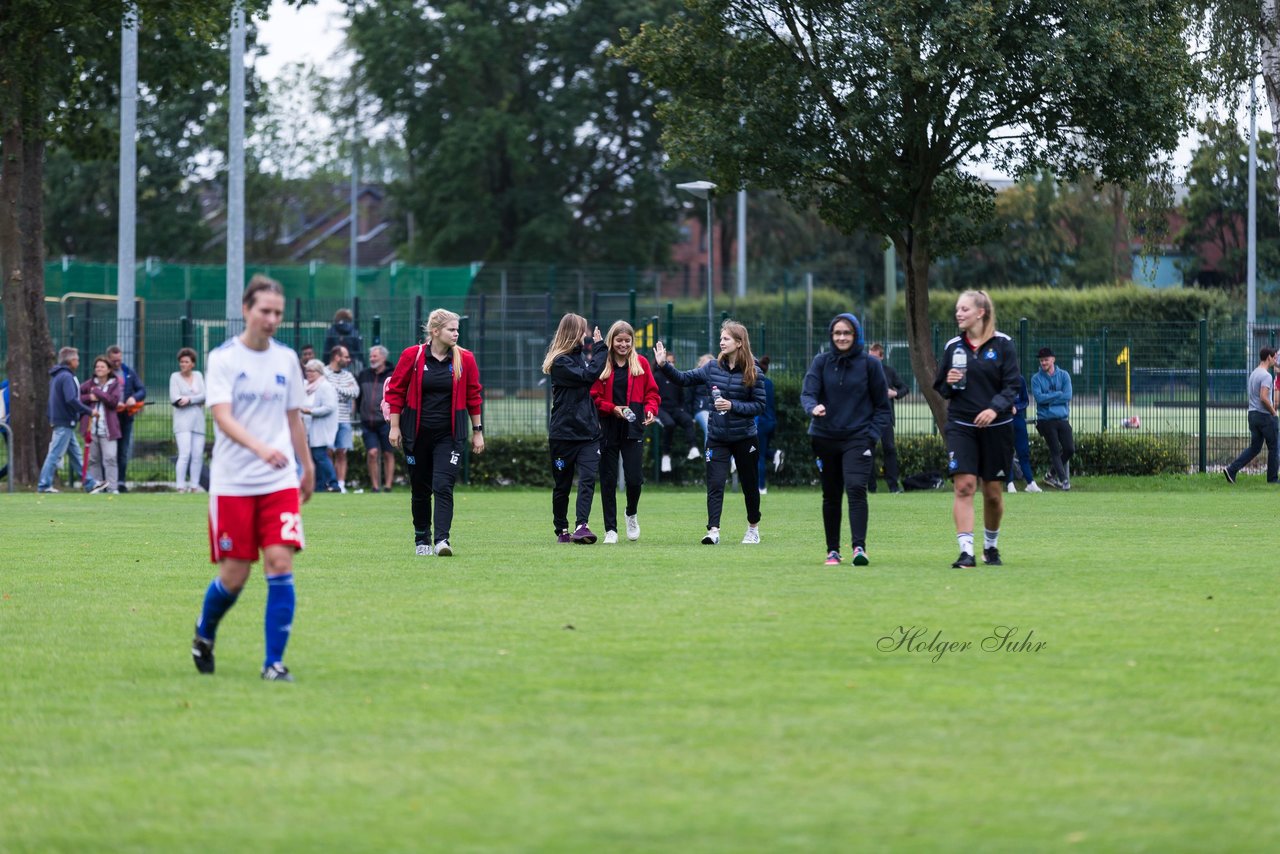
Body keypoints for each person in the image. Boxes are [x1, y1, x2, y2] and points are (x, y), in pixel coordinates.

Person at [191, 274, 314, 683]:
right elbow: (222, 417)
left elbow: (293, 417)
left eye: (278, 313)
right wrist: (260, 448)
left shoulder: (286, 359)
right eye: (265, 311)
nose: (272, 319)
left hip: (278, 482)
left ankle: (273, 664)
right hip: (233, 482)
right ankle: (204, 633)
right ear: (246, 310)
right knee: (235, 574)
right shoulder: (224, 358)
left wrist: (307, 466)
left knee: (279, 562)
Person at [655, 321, 767, 545]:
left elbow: (759, 406)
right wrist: (664, 366)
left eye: (726, 338)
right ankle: (713, 530)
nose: (721, 342)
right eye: (721, 338)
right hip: (717, 438)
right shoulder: (711, 368)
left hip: (745, 438)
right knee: (715, 484)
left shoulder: (754, 371)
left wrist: (732, 406)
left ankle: (753, 528)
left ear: (739, 342)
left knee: (749, 484)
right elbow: (684, 379)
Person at [386, 308, 485, 556]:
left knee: (443, 485)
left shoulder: (465, 358)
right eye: (451, 329)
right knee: (420, 489)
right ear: (435, 331)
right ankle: (422, 541)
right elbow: (396, 391)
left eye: (457, 329)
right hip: (416, 435)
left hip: (449, 437)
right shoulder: (413, 356)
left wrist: (477, 431)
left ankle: (442, 541)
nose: (456, 333)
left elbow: (474, 395)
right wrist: (395, 427)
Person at [933, 290, 1020, 568]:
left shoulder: (1003, 344)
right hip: (961, 425)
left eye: (964, 309)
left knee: (993, 493)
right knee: (964, 486)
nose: (958, 313)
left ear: (981, 312)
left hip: (997, 426)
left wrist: (994, 408)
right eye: (957, 309)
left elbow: (1012, 386)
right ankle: (966, 552)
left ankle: (990, 547)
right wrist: (949, 380)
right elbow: (942, 388)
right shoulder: (952, 347)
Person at [801, 316, 892, 566]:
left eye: (847, 333)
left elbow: (883, 408)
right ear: (831, 335)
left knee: (855, 489)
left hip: (858, 439)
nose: (841, 337)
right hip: (824, 437)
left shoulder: (870, 365)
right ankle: (832, 551)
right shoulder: (821, 362)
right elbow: (808, 393)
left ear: (856, 335)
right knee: (831, 495)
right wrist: (812, 408)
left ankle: (859, 548)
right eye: (837, 333)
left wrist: (870, 436)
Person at [590, 321, 661, 543]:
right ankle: (610, 530)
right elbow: (594, 397)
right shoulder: (602, 364)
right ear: (611, 341)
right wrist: (613, 409)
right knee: (608, 480)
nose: (623, 344)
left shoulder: (641, 363)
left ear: (632, 342)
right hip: (607, 427)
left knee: (634, 479)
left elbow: (652, 393)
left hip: (633, 427)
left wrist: (650, 410)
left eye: (627, 341)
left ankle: (631, 513)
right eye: (619, 340)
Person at [543, 313, 607, 543]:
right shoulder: (560, 362)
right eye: (583, 330)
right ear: (573, 332)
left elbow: (590, 374)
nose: (587, 334)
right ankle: (561, 529)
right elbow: (589, 377)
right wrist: (601, 350)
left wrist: (597, 352)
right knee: (562, 485)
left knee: (588, 478)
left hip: (588, 433)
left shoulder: (581, 357)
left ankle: (582, 525)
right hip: (563, 434)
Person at [37, 347, 98, 493]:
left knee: (76, 455)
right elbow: (71, 399)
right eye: (76, 359)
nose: (78, 361)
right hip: (64, 421)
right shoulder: (66, 377)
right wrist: (89, 411)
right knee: (55, 454)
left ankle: (89, 483)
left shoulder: (58, 376)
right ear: (71, 361)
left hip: (63, 421)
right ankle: (44, 485)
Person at [1224, 347, 1279, 484]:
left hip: (1252, 415)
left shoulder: (1254, 373)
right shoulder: (1266, 376)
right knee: (1274, 447)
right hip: (1265, 416)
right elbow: (1263, 397)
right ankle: (1272, 479)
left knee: (1255, 448)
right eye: (1274, 358)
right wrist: (1274, 412)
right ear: (1268, 358)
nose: (1275, 360)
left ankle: (1231, 470)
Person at [1031, 347, 1075, 490]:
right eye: (1041, 360)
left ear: (1053, 359)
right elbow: (1039, 398)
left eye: (1046, 360)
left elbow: (1068, 396)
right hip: (1045, 420)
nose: (1043, 362)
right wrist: (1057, 395)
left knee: (1069, 449)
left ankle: (1050, 475)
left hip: (1062, 419)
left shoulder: (1064, 376)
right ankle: (1064, 481)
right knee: (1055, 449)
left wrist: (1048, 399)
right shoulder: (1036, 379)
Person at [866, 343, 907, 494]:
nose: (872, 361)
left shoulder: (889, 372)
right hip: (868, 418)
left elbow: (904, 388)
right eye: (870, 357)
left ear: (882, 357)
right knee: (868, 450)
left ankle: (893, 487)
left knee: (889, 449)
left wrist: (894, 394)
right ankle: (871, 488)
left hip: (885, 417)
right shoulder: (863, 372)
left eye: (875, 358)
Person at [105, 344, 146, 492]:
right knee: (109, 452)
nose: (117, 363)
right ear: (108, 359)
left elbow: (142, 389)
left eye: (119, 360)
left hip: (125, 416)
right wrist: (114, 403)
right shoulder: (104, 373)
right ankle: (107, 482)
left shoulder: (128, 372)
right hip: (109, 417)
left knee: (123, 450)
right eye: (114, 360)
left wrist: (134, 398)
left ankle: (120, 481)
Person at [357, 345, 396, 492]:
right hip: (367, 422)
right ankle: (375, 486)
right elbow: (359, 397)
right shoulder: (363, 374)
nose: (371, 359)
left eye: (375, 356)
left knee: (388, 453)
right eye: (371, 356)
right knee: (372, 453)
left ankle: (388, 486)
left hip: (386, 422)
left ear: (383, 358)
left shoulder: (392, 374)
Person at [80, 355, 122, 494]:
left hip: (108, 429)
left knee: (110, 458)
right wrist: (89, 397)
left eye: (102, 367)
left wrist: (97, 392)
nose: (99, 369)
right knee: (93, 459)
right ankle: (96, 487)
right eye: (97, 367)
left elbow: (113, 402)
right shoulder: (88, 384)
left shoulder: (114, 384)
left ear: (109, 369)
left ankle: (112, 488)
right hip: (91, 429)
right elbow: (77, 398)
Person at [654, 351, 700, 472]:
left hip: (675, 409)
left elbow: (682, 399)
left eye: (673, 362)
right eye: (669, 362)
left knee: (688, 420)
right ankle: (665, 456)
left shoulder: (676, 377)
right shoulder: (657, 376)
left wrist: (683, 411)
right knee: (669, 424)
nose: (671, 364)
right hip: (661, 409)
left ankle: (693, 448)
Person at [170, 347, 206, 493]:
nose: (183, 364)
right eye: (181, 362)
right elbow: (175, 398)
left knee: (197, 455)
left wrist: (189, 399)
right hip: (182, 423)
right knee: (185, 454)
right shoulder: (175, 377)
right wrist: (193, 399)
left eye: (186, 362)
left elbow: (205, 395)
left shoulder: (198, 375)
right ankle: (180, 486)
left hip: (198, 422)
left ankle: (194, 486)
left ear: (193, 364)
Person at [301, 359, 340, 492]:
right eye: (307, 370)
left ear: (319, 372)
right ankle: (320, 486)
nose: (308, 373)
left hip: (321, 428)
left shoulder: (325, 386)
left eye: (312, 371)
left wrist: (310, 411)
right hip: (309, 429)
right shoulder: (306, 387)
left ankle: (334, 484)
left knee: (320, 456)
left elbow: (329, 407)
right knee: (315, 457)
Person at [324, 345, 359, 492]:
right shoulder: (323, 373)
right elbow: (325, 392)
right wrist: (345, 391)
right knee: (328, 452)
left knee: (341, 452)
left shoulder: (348, 375)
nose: (348, 359)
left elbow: (355, 392)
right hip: (328, 419)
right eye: (345, 356)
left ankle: (341, 485)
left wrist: (336, 389)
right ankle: (330, 484)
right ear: (337, 357)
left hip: (344, 419)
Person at [1005, 374, 1043, 493]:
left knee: (1023, 452)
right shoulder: (997, 378)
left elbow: (1025, 401)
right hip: (1003, 421)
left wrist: (1016, 407)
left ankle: (1030, 482)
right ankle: (1009, 483)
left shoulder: (1020, 379)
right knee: (1007, 453)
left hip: (1018, 421)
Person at [755, 356, 777, 494]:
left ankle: (761, 487)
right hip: (771, 422)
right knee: (763, 451)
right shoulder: (769, 383)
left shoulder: (754, 382)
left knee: (759, 456)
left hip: (761, 423)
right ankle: (775, 454)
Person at [322, 308, 365, 373]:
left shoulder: (331, 331)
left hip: (334, 364)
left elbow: (326, 350)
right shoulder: (354, 331)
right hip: (351, 363)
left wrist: (325, 363)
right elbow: (359, 351)